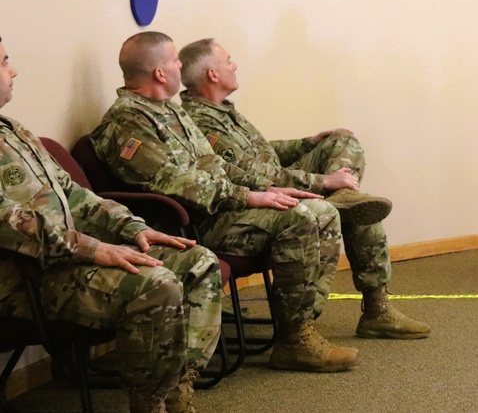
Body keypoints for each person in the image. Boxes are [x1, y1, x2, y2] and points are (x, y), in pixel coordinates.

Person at [90, 32, 357, 374]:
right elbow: (173, 182)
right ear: (159, 73)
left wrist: (269, 187)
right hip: (192, 225)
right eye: (175, 61)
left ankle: (299, 328)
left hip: (222, 210)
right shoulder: (128, 121)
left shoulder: (171, 112)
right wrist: (247, 196)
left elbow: (218, 167)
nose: (180, 67)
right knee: (301, 218)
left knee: (320, 210)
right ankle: (294, 340)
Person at [0, 36, 221, 413]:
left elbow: (74, 195)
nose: (14, 70)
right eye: (5, 62)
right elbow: (8, 222)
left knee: (197, 262)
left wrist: (131, 228)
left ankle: (176, 388)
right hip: (24, 280)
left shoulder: (13, 130)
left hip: (66, 262)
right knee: (155, 285)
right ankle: (149, 405)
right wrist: (95, 248)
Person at [177, 38, 430, 339]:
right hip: (240, 210)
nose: (235, 65)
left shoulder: (222, 110)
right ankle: (368, 309)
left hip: (268, 190)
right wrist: (321, 182)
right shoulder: (200, 120)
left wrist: (308, 143)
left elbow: (262, 154)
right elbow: (252, 175)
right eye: (228, 60)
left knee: (341, 143)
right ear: (212, 74)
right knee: (346, 209)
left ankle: (346, 208)